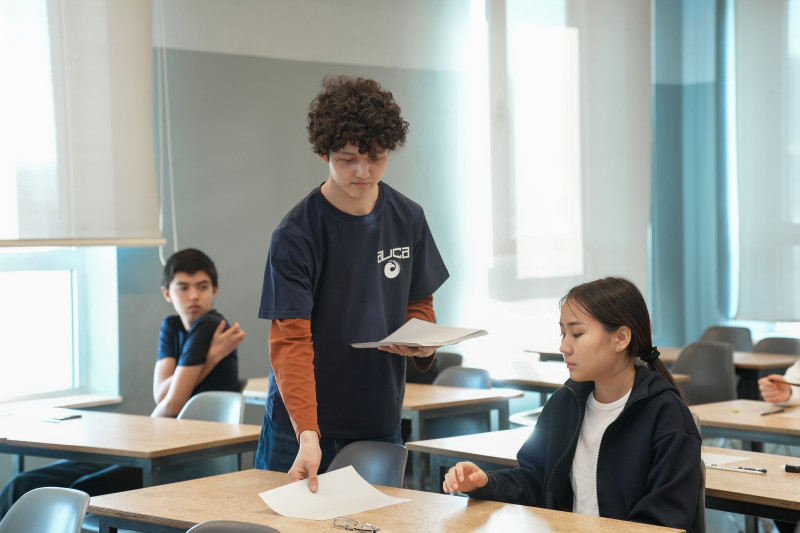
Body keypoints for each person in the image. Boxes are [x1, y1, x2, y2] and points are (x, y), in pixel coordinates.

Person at [255, 75, 449, 492]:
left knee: (378, 521)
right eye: (347, 159)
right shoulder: (296, 234)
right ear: (322, 153)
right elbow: (290, 341)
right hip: (300, 428)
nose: (363, 171)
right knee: (287, 523)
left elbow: (419, 299)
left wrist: (422, 340)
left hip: (378, 418)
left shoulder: (408, 218)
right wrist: (308, 433)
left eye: (376, 157)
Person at [442, 277, 702, 532]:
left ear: (621, 338)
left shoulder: (667, 414)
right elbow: (536, 479)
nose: (563, 346)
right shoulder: (564, 403)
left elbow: (664, 520)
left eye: (577, 334)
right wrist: (486, 482)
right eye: (563, 333)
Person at [0, 248, 244, 517]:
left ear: (214, 290)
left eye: (202, 287)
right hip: (158, 444)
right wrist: (210, 358)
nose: (194, 295)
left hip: (184, 457)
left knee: (76, 491)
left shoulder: (209, 325)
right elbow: (160, 394)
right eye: (183, 287)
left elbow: (172, 405)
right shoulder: (172, 325)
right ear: (167, 293)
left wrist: (186, 380)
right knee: (25, 483)